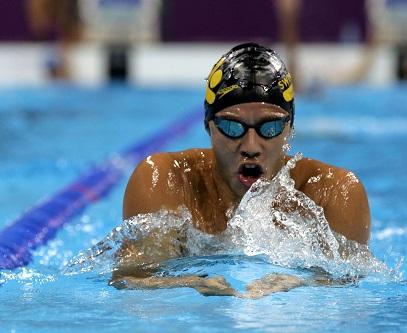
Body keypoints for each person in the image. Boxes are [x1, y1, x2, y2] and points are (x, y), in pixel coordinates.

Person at [110, 43, 371, 297]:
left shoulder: (332, 193)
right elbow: (131, 278)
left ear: (289, 129)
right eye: (233, 128)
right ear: (208, 126)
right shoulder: (166, 181)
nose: (250, 146)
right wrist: (189, 283)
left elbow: (352, 284)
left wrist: (300, 282)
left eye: (269, 128)